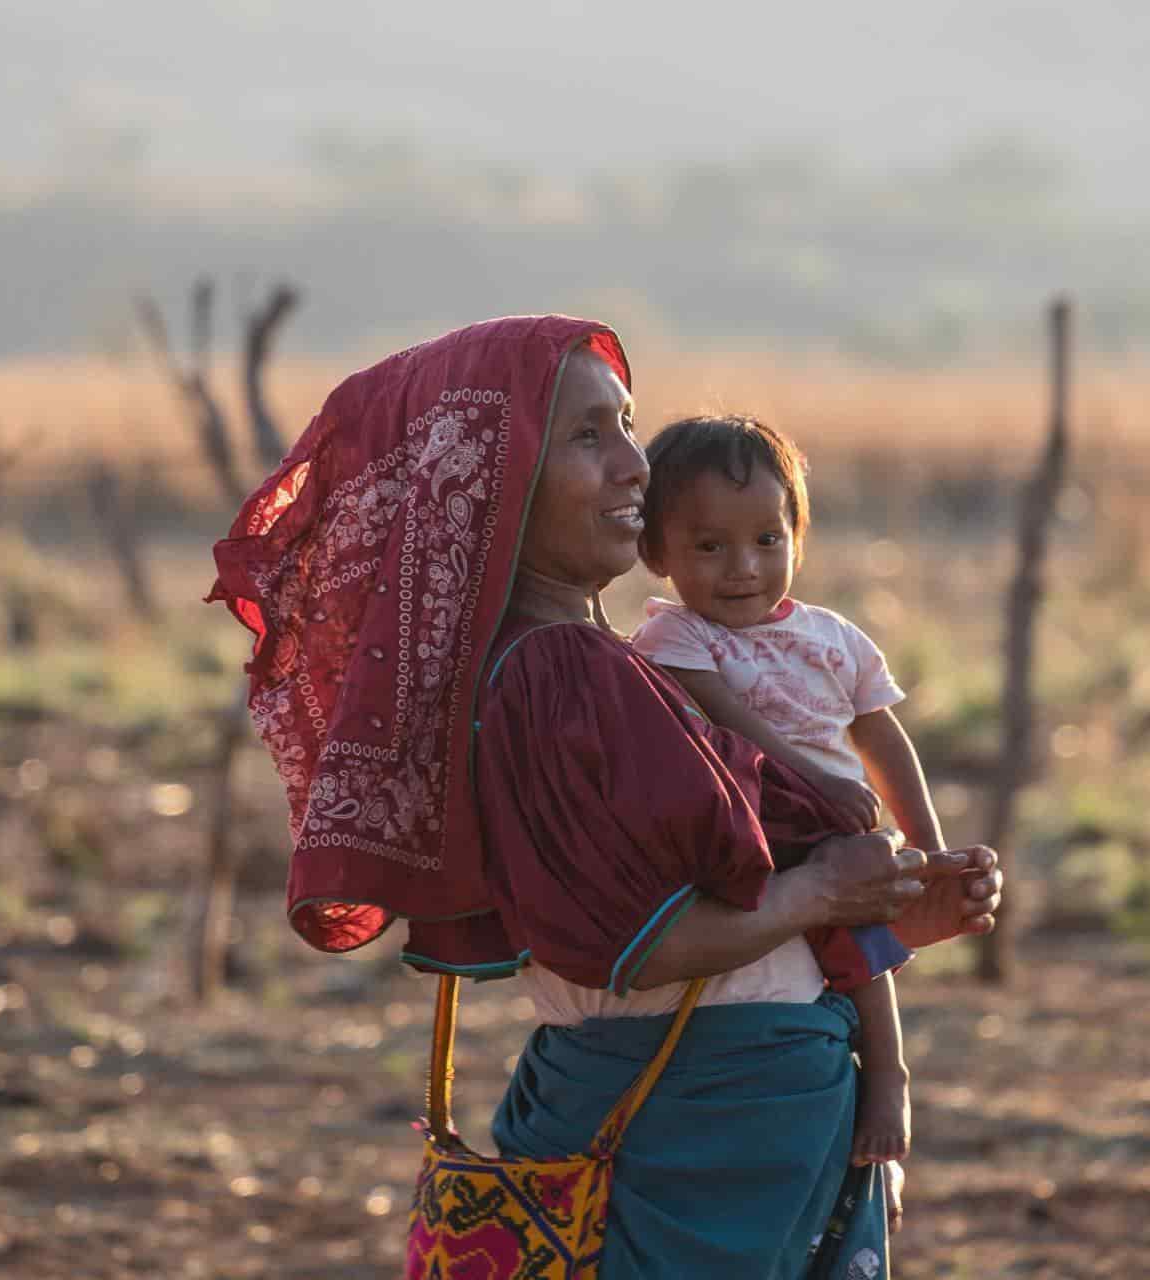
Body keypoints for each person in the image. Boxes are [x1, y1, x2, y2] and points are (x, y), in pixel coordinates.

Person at [209, 316, 1001, 1278]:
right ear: (501, 475)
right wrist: (826, 892)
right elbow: (634, 944)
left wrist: (889, 911)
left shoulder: (603, 665)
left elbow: (690, 917)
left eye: (627, 425)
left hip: (718, 1111)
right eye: (589, 435)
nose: (637, 466)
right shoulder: (562, 674)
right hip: (706, 1122)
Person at [630, 414, 946, 1170]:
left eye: (767, 541)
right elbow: (733, 727)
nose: (742, 567)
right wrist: (823, 787)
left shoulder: (835, 637)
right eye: (710, 546)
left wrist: (929, 847)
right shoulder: (674, 639)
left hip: (835, 829)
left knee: (864, 943)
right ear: (654, 552)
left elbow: (883, 739)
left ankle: (889, 1074)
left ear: (797, 537)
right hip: (750, 820)